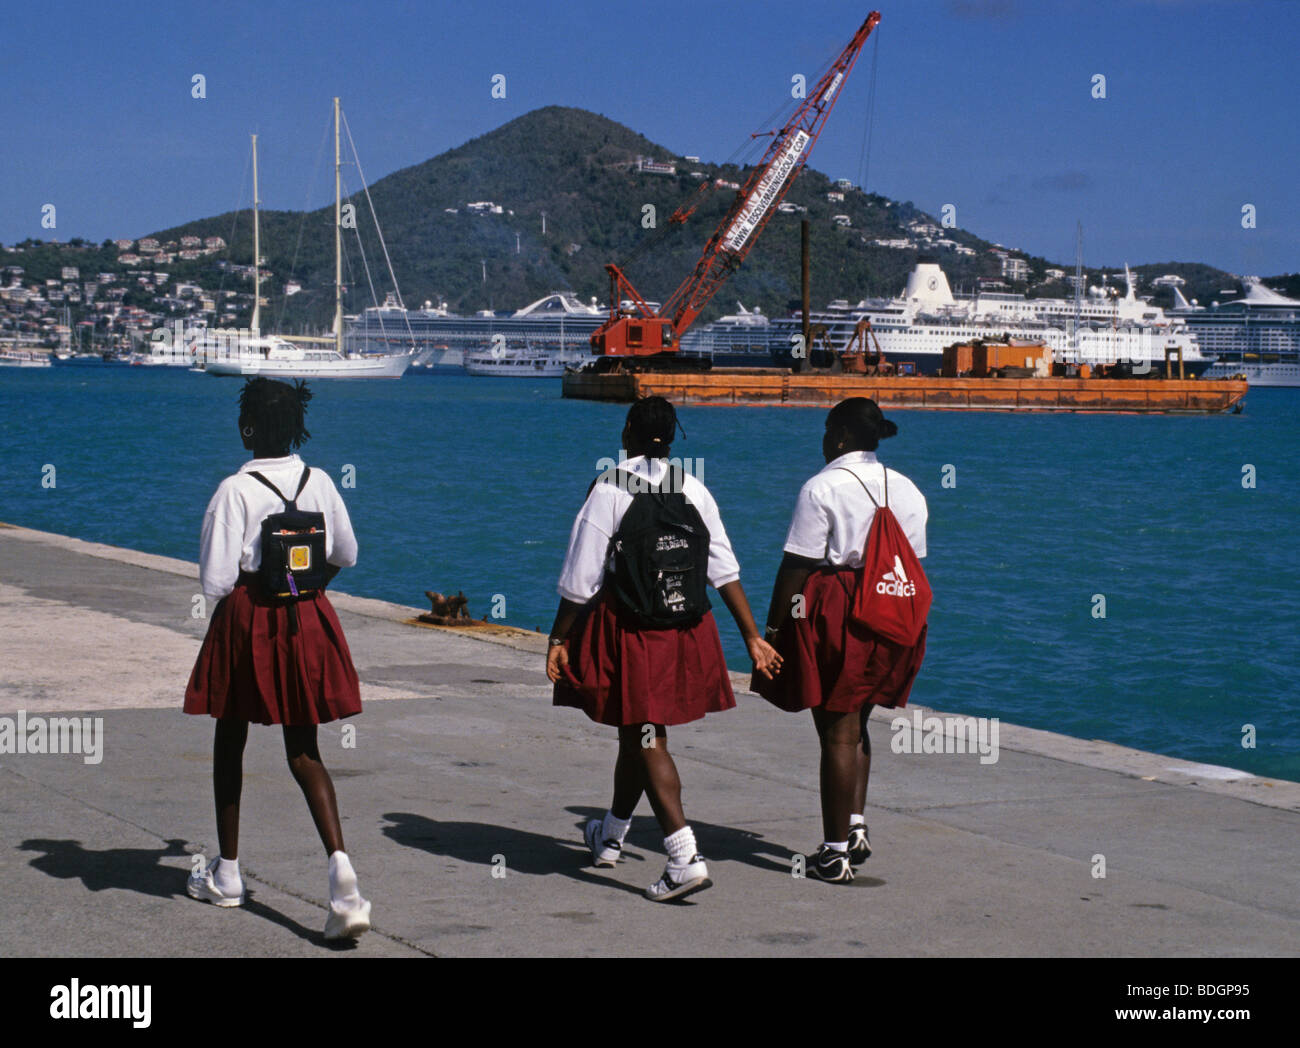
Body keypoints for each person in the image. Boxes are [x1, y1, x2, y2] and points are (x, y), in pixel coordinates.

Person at [547, 396, 781, 902]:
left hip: (632, 631)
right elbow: (725, 570)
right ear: (672, 437)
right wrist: (751, 636)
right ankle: (609, 837)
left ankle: (684, 857)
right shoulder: (693, 487)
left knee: (647, 735)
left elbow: (582, 579)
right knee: (640, 730)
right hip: (686, 630)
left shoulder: (611, 486)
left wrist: (559, 637)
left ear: (628, 429)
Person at [183, 377, 371, 940]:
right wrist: (306, 586)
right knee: (304, 749)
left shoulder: (233, 491)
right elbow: (347, 554)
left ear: (246, 429)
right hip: (308, 616)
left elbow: (216, 580)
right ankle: (344, 878)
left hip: (249, 617)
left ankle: (229, 873)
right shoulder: (321, 481)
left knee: (229, 739)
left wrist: (247, 606)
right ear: (296, 430)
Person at [756, 397, 928, 884]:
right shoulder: (909, 489)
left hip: (838, 607)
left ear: (843, 437)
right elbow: (912, 559)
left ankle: (833, 856)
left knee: (836, 730)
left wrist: (774, 630)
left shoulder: (822, 487)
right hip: (895, 608)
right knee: (857, 719)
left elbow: (797, 565)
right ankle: (854, 826)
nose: (824, 438)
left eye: (828, 428)